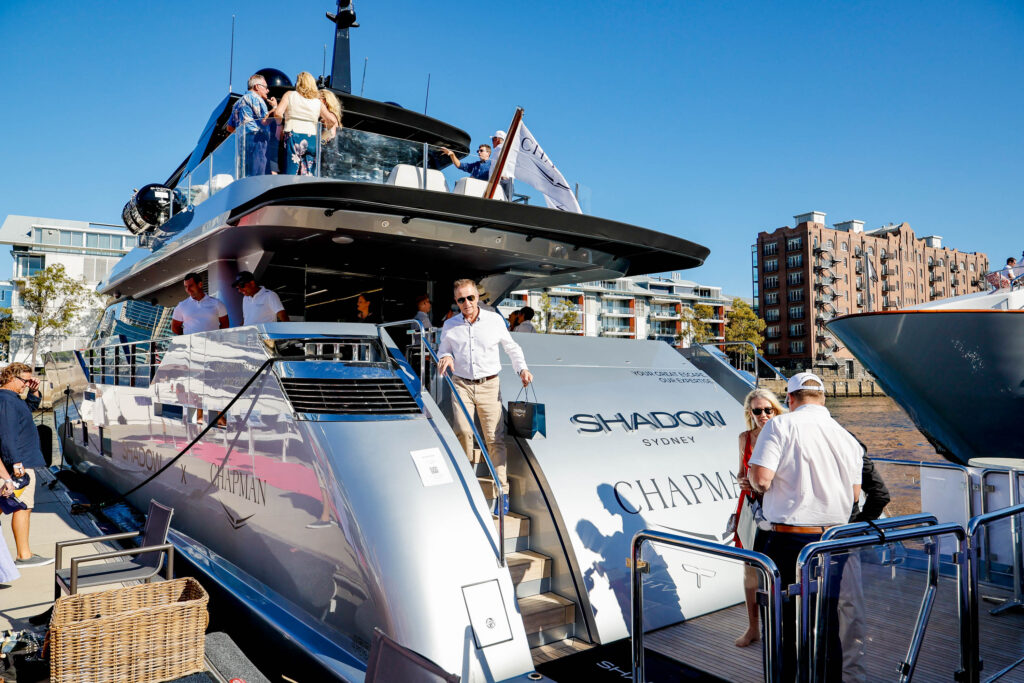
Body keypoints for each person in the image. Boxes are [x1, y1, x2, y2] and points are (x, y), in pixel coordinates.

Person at [748, 371, 863, 680]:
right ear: (822, 399)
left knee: (784, 621)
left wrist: (754, 480)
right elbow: (854, 495)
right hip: (834, 542)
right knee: (826, 619)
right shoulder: (847, 437)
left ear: (790, 399)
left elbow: (761, 480)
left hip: (790, 541)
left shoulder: (778, 426)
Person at [437, 279, 533, 514]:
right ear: (456, 301)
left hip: (489, 385)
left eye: (470, 297)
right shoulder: (450, 325)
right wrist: (446, 356)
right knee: (462, 431)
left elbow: (512, 348)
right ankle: (466, 482)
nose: (467, 303)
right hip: (461, 384)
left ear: (477, 297)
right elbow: (443, 349)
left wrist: (522, 369)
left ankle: (502, 491)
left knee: (493, 438)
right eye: (461, 299)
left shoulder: (494, 321)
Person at [734, 388, 787, 647]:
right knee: (749, 570)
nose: (764, 415)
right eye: (758, 411)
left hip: (778, 507)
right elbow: (740, 471)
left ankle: (782, 627)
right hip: (750, 507)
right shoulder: (745, 438)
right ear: (750, 413)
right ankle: (753, 627)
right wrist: (743, 480)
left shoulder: (785, 434)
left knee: (781, 568)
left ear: (776, 410)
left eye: (769, 409)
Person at [840, 451, 891, 682]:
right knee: (850, 609)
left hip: (812, 540)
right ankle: (852, 674)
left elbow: (880, 495)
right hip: (846, 538)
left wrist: (856, 528)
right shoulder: (851, 444)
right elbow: (879, 494)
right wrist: (857, 528)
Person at [0, 364, 51, 567]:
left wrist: (34, 392)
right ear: (11, 378)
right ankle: (24, 555)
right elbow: (7, 436)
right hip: (20, 463)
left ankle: (24, 554)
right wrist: (16, 463)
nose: (26, 385)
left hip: (21, 460)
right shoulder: (6, 401)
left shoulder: (12, 399)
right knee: (22, 506)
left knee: (9, 504)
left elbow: (28, 410)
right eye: (24, 381)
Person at [269, 71, 339, 175]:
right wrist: (323, 137)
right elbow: (332, 121)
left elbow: (278, 113)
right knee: (308, 175)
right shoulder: (317, 102)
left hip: (294, 136)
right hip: (312, 139)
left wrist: (279, 125)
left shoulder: (290, 95)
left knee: (291, 173)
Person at [226, 73, 277, 176]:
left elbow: (229, 127)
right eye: (265, 87)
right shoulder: (256, 98)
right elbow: (264, 120)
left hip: (242, 141)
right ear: (257, 87)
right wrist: (275, 108)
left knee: (244, 174)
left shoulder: (237, 103)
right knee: (258, 173)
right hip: (257, 139)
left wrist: (243, 131)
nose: (267, 90)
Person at [489, 130, 514, 199]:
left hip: (501, 181)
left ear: (497, 139)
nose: (492, 142)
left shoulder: (500, 148)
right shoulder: (503, 148)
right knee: (504, 202)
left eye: (493, 139)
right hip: (502, 181)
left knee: (502, 202)